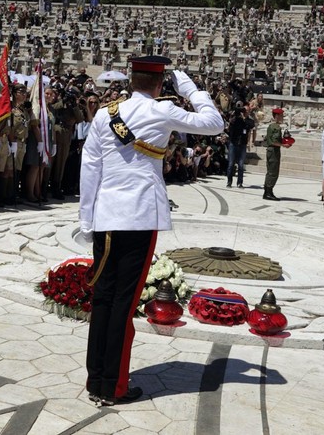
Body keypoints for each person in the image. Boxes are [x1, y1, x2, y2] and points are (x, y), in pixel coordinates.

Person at [80, 56, 223, 407]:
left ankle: (97, 377)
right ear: (160, 85)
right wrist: (188, 86)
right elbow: (213, 122)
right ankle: (113, 386)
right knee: (123, 306)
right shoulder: (161, 112)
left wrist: (86, 220)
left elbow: (89, 166)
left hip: (105, 218)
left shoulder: (104, 113)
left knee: (103, 301)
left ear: (132, 79)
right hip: (139, 217)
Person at [263, 107, 291, 200]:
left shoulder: (271, 126)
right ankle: (268, 192)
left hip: (271, 150)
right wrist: (284, 144)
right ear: (277, 116)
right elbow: (274, 141)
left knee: (270, 171)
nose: (283, 117)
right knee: (273, 172)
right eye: (281, 116)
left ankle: (267, 191)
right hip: (274, 150)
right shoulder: (276, 127)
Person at [226, 102, 254, 188]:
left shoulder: (249, 120)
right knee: (231, 164)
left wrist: (244, 118)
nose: (245, 112)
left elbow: (250, 126)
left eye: (247, 111)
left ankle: (240, 182)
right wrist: (236, 114)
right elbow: (231, 122)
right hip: (233, 143)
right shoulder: (236, 119)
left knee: (241, 165)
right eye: (244, 110)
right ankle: (229, 181)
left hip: (242, 144)